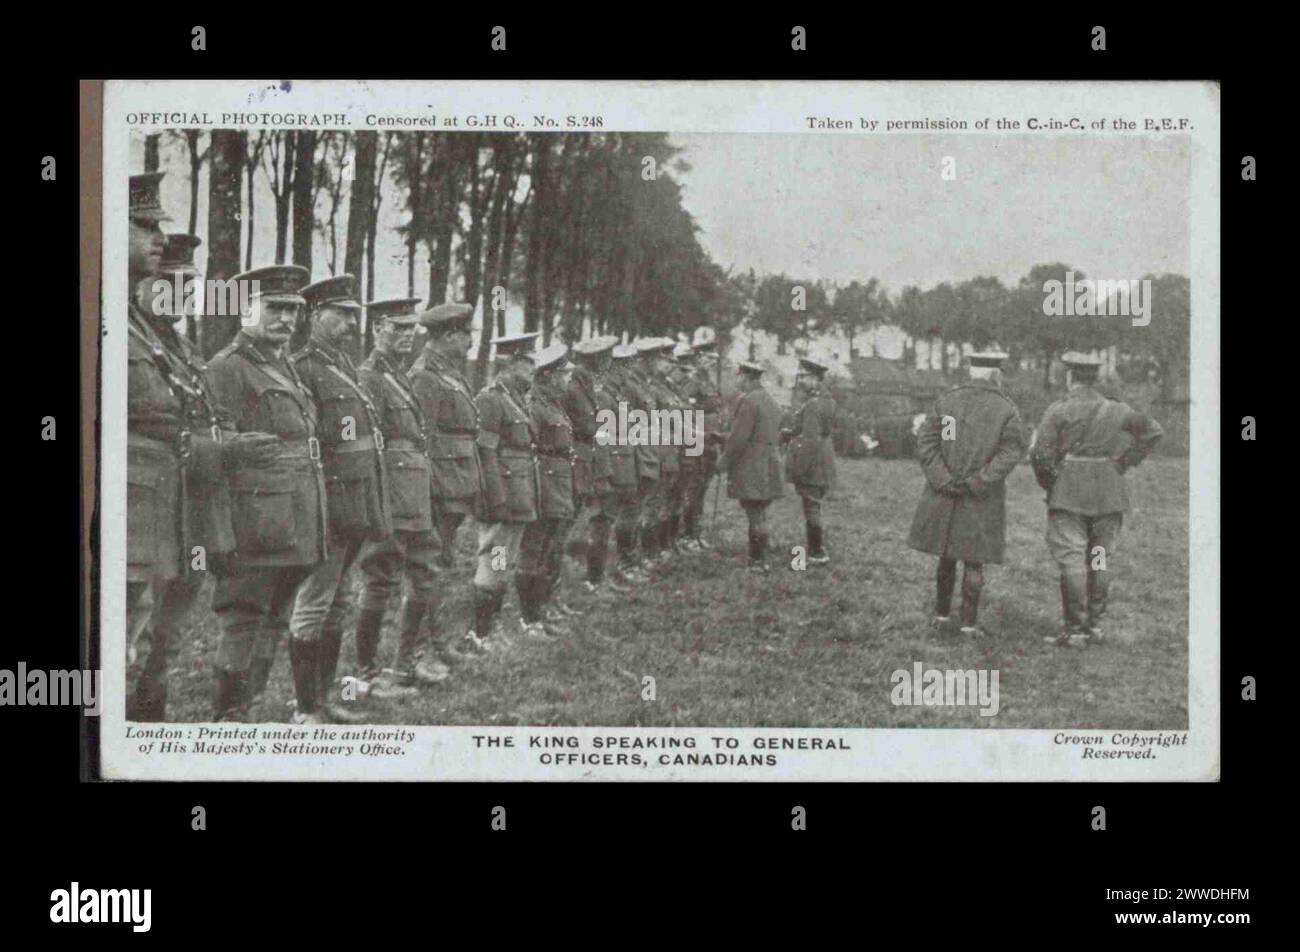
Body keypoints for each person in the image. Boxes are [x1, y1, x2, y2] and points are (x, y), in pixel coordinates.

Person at [126, 182, 275, 720]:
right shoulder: (130, 339)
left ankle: (151, 717)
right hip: (153, 513)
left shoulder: (183, 350)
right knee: (136, 633)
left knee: (168, 635)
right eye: (171, 286)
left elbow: (194, 426)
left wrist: (230, 448)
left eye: (189, 287)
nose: (182, 297)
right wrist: (224, 451)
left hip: (190, 516)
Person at [205, 265, 328, 722]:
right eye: (275, 308)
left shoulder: (285, 366)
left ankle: (250, 708)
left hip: (295, 514)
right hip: (254, 518)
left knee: (276, 617)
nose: (287, 319)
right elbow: (213, 443)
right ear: (244, 310)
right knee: (244, 618)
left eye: (294, 310)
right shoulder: (226, 368)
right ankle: (228, 720)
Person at [285, 279, 398, 722]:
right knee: (314, 604)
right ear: (314, 317)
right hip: (327, 506)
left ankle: (325, 698)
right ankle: (306, 709)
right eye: (340, 314)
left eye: (353, 314)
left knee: (338, 604)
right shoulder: (303, 369)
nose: (351, 323)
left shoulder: (345, 367)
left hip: (355, 506)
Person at [1031, 352, 1164, 647]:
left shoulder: (1058, 410)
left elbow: (1041, 455)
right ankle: (1095, 624)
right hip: (1108, 490)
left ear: (1070, 376)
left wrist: (1051, 483)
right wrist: (1124, 462)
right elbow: (1153, 431)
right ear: (1096, 378)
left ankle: (1075, 629)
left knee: (1073, 557)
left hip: (1070, 492)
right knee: (1100, 557)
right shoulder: (1118, 410)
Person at [356, 298, 447, 689]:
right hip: (390, 495)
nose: (407, 335)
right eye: (398, 327)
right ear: (377, 330)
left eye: (412, 328)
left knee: (425, 571)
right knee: (381, 577)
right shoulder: (370, 376)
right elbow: (369, 445)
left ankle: (405, 660)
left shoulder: (402, 375)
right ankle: (366, 670)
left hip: (415, 493)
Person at [906, 351, 1024, 639]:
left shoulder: (948, 401)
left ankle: (942, 615)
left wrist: (943, 479)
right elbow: (1009, 453)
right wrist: (980, 482)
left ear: (971, 370)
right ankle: (969, 624)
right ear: (997, 373)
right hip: (981, 497)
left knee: (946, 557)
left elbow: (928, 444)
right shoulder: (1006, 409)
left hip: (946, 493)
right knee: (974, 560)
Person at [465, 332, 540, 653]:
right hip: (503, 497)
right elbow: (486, 453)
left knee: (503, 560)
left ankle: (490, 627)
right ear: (509, 363)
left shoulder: (515, 398)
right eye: (527, 362)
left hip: (518, 493)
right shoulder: (491, 399)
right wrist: (495, 499)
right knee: (494, 560)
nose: (532, 369)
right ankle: (482, 633)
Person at [409, 303, 481, 572]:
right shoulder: (426, 375)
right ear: (449, 335)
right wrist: (428, 487)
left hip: (455, 478)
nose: (471, 342)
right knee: (431, 558)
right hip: (440, 483)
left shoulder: (449, 372)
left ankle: (427, 609)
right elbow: (421, 436)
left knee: (442, 553)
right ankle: (421, 610)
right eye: (465, 335)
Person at [518, 343, 579, 638]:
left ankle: (540, 611)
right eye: (564, 375)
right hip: (543, 483)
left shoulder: (554, 405)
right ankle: (528, 619)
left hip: (559, 482)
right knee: (533, 550)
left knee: (548, 549)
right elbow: (529, 450)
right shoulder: (534, 406)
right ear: (549, 376)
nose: (568, 381)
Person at [561, 336, 626, 593]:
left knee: (600, 520)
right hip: (581, 464)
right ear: (596, 360)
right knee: (571, 525)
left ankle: (595, 578)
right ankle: (586, 579)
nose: (609, 363)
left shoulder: (587, 386)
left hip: (596, 462)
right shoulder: (574, 389)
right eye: (606, 358)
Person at [719, 361, 784, 572]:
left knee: (755, 514)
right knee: (760, 513)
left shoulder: (747, 401)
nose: (736, 380)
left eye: (738, 376)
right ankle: (758, 559)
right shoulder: (771, 401)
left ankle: (757, 561)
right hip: (769, 465)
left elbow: (739, 438)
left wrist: (723, 462)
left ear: (746, 377)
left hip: (752, 466)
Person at [604, 343, 658, 583]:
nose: (629, 369)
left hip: (637, 453)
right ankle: (624, 562)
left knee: (634, 510)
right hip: (623, 458)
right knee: (627, 511)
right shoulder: (615, 391)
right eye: (626, 365)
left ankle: (630, 559)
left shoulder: (627, 388)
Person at [782, 356, 837, 565]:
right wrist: (792, 431)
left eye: (804, 377)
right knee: (814, 505)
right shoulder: (827, 400)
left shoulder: (813, 404)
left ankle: (816, 552)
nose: (800, 381)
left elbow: (811, 440)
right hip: (824, 460)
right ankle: (817, 549)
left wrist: (800, 470)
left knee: (811, 506)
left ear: (815, 378)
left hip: (813, 463)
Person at [681, 337, 726, 550]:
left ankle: (695, 534)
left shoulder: (707, 380)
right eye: (707, 358)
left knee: (701, 489)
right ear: (698, 357)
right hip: (695, 443)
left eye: (712, 358)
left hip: (709, 444)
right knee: (692, 489)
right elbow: (687, 414)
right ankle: (686, 536)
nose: (711, 361)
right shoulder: (692, 381)